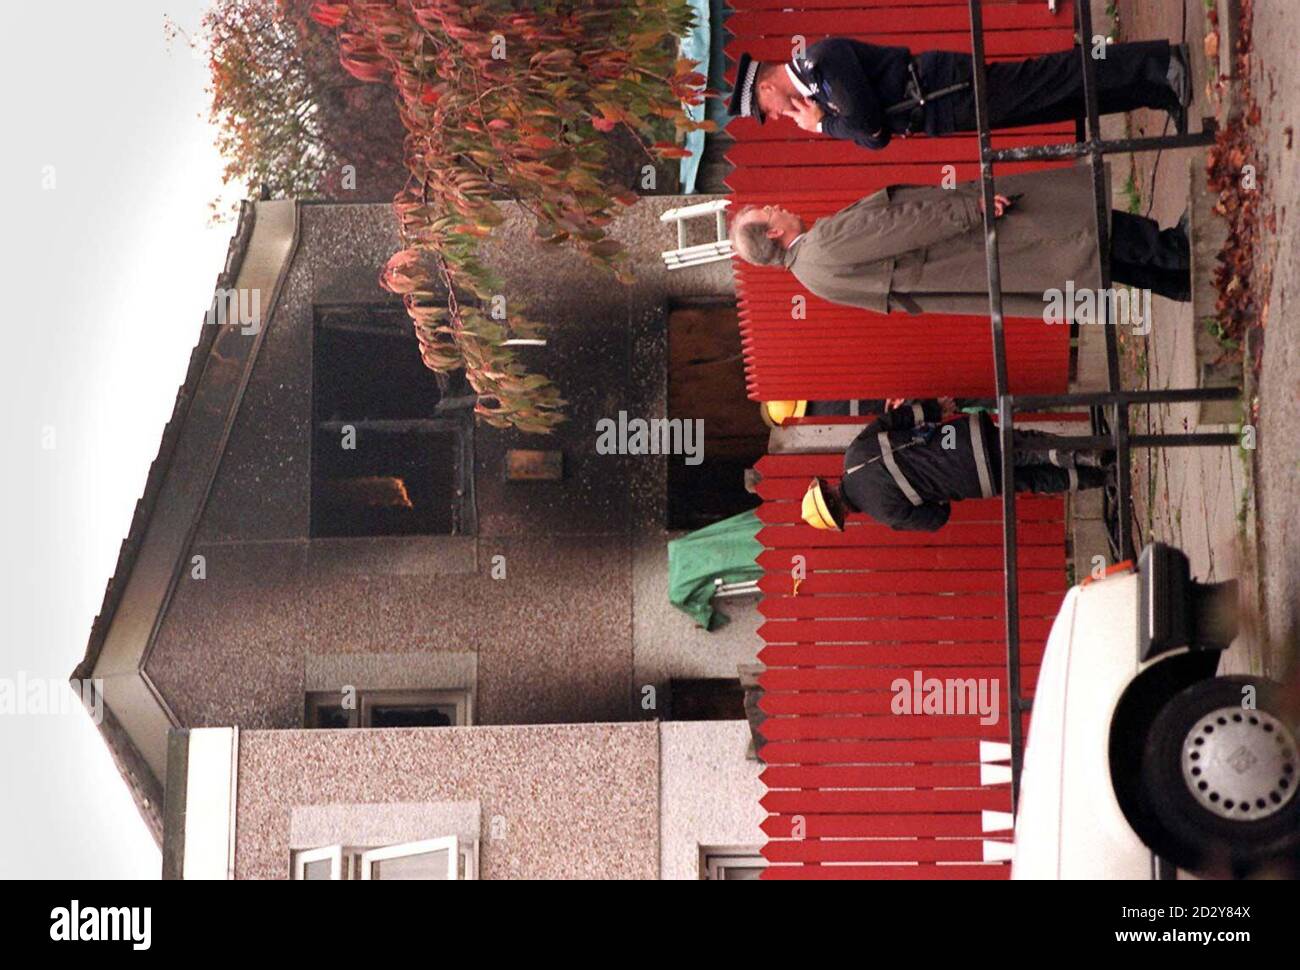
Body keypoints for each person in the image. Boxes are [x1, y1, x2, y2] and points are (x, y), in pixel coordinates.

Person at [728, 164, 1191, 317]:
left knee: (1082, 255)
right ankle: (1177, 252)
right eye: (768, 212)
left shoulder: (812, 277)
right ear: (772, 232)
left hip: (970, 263)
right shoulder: (822, 244)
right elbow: (901, 227)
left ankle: (1174, 279)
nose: (776, 207)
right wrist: (967, 209)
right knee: (1079, 226)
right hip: (969, 236)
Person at [726, 38, 1192, 150]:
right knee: (1057, 102)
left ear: (766, 87)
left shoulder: (821, 60)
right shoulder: (818, 87)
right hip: (941, 109)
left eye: (768, 110)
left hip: (946, 88)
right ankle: (1152, 90)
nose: (781, 116)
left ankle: (1158, 61)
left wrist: (825, 124)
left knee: (1054, 77)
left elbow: (870, 128)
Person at [800, 399, 1109, 533]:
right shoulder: (855, 455)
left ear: (843, 516)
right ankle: (1088, 454)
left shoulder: (885, 514)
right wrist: (935, 408)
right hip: (960, 438)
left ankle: (1098, 477)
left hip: (971, 482)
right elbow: (897, 419)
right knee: (1026, 446)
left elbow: (936, 520)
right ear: (828, 486)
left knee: (1033, 480)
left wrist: (942, 486)